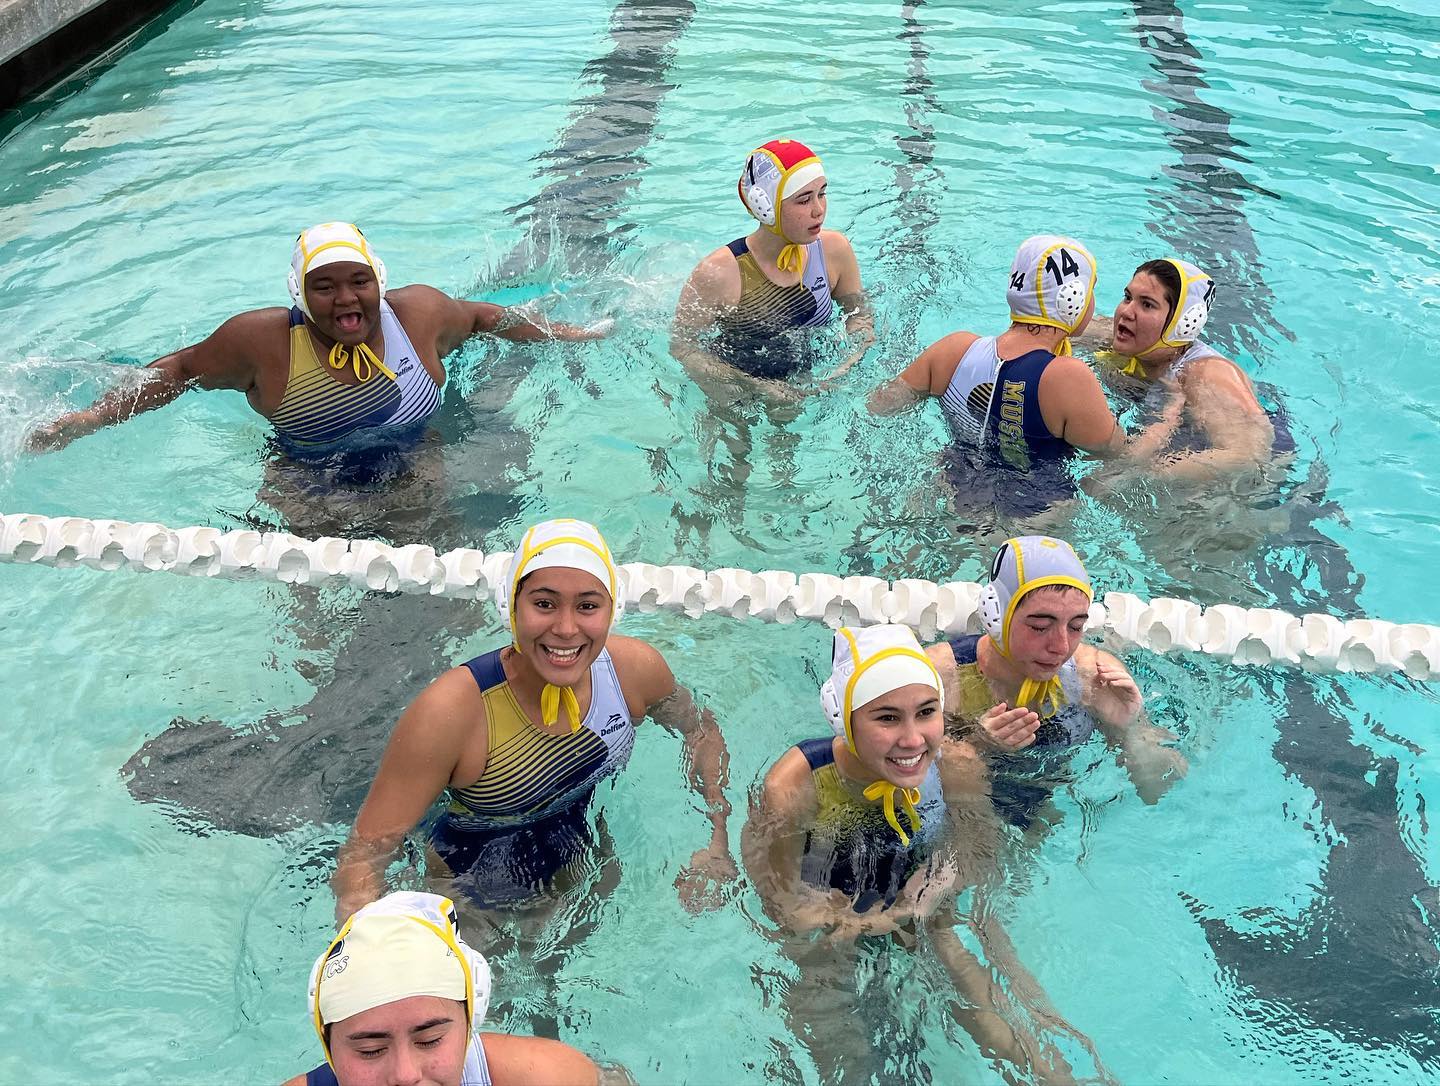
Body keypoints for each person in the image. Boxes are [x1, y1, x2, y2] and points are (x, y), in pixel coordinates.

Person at [743, 624, 1107, 1085]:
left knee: (1003, 1007)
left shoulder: (955, 763)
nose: (914, 740)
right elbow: (782, 901)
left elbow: (977, 852)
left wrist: (932, 890)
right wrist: (853, 922)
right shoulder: (796, 784)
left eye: (926, 712)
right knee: (841, 1046)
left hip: (921, 898)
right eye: (887, 718)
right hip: (833, 919)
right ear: (844, 719)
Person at [332, 518, 735, 925]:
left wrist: (718, 839)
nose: (565, 628)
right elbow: (365, 855)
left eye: (588, 606)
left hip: (583, 855)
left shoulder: (634, 672)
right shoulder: (452, 711)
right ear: (512, 605)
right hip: (463, 884)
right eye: (544, 604)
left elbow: (701, 732)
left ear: (612, 609)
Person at [27, 221, 610, 456]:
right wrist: (91, 420)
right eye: (323, 287)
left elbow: (487, 317)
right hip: (307, 476)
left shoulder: (418, 314)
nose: (345, 299)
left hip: (419, 453)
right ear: (299, 296)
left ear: (378, 280)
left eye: (359, 281)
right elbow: (178, 371)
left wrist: (565, 336)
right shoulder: (262, 343)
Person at [868, 235, 1167, 518]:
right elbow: (1122, 455)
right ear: (1071, 300)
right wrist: (1170, 412)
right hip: (1032, 517)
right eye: (1091, 292)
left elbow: (879, 406)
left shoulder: (955, 349)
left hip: (947, 487)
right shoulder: (1067, 377)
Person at [926, 535, 1186, 826]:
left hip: (1049, 813)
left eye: (1076, 626)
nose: (1061, 646)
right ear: (995, 616)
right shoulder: (942, 676)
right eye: (1040, 626)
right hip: (962, 818)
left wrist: (1131, 729)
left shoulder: (1094, 677)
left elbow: (1158, 794)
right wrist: (979, 744)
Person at [285, 891, 602, 1086]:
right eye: (371, 1050)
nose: (405, 1075)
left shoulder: (548, 1076)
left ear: (468, 1025)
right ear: (329, 1047)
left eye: (430, 1040)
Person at [671, 139, 872, 402]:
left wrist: (839, 372)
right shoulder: (719, 272)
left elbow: (860, 317)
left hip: (807, 387)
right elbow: (683, 348)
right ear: (766, 207)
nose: (818, 210)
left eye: (822, 193)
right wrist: (756, 386)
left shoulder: (834, 251)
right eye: (803, 200)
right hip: (736, 394)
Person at [1078, 257, 1292, 481]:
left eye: (1147, 304)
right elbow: (1057, 325)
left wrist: (1150, 472)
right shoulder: (1115, 337)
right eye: (1127, 297)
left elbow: (1249, 455)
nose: (1127, 312)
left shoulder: (1206, 374)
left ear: (1184, 323)